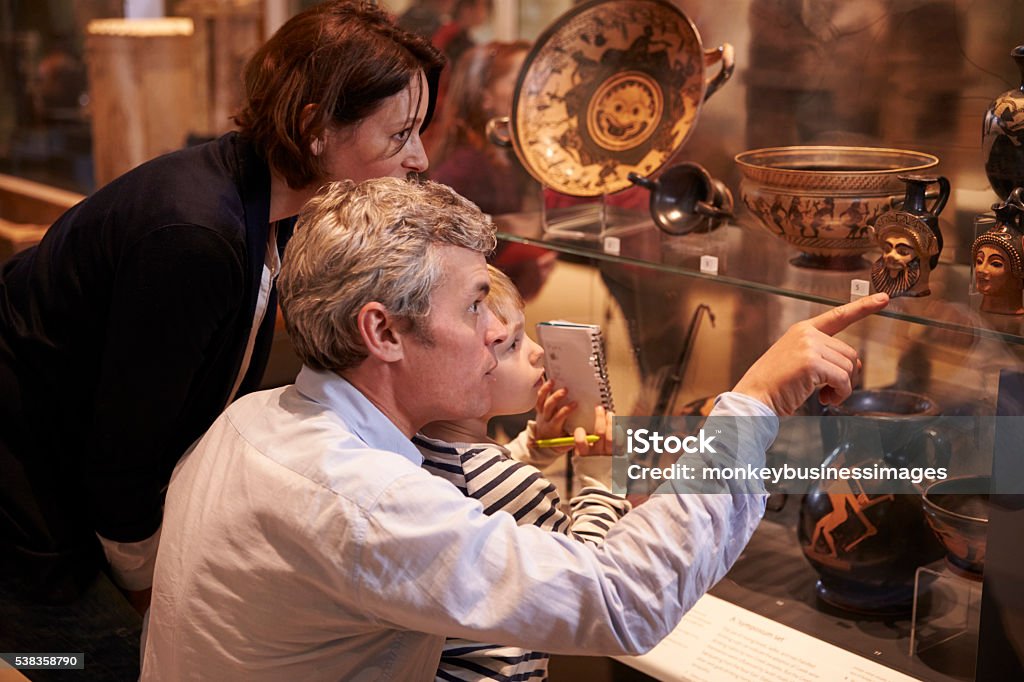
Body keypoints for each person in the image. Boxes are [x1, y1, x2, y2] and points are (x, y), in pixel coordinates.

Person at [141, 176, 889, 679]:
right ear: (383, 333)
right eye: (473, 306)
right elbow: (621, 600)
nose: (498, 331)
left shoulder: (253, 419)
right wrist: (753, 403)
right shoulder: (360, 498)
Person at [0, 0, 443, 674]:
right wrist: (150, 588)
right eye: (400, 133)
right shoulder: (195, 235)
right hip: (24, 482)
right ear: (314, 126)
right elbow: (125, 454)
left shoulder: (276, 203)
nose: (419, 157)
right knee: (93, 661)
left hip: (72, 470)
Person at [416, 265, 631, 680]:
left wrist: (534, 445)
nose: (536, 352)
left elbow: (480, 490)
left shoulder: (416, 450)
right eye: (512, 344)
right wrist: (602, 479)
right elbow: (588, 578)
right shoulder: (517, 488)